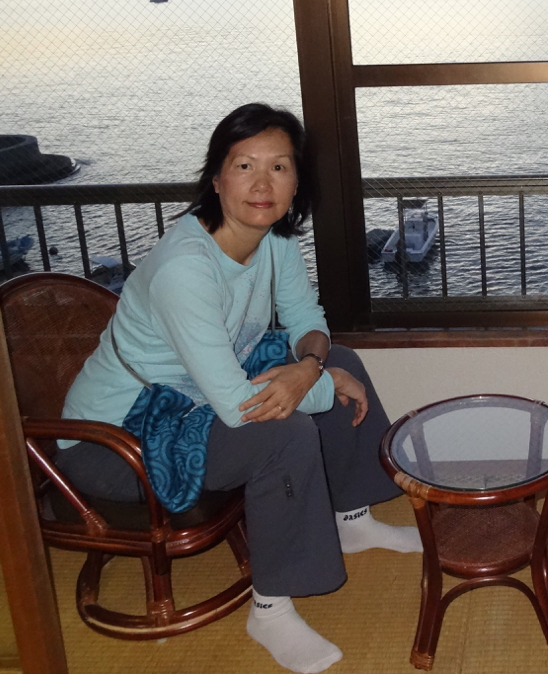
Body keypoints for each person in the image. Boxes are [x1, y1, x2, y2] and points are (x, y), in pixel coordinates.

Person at [57, 103, 421, 674]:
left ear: (296, 182)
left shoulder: (274, 241)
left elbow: (306, 318)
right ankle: (270, 609)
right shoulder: (186, 269)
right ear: (216, 178)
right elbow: (238, 406)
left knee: (340, 358)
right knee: (283, 431)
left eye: (279, 167)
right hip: (116, 441)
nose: (262, 184)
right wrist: (323, 384)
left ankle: (352, 521)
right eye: (244, 165)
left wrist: (313, 365)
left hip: (189, 401)